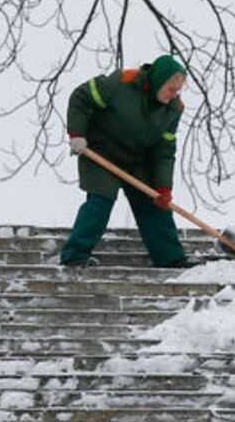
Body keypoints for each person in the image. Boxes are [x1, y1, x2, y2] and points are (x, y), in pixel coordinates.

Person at [60, 53, 195, 269]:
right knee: (100, 202)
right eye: (171, 88)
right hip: (102, 153)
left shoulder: (173, 109)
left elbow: (164, 150)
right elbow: (81, 96)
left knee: (155, 205)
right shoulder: (120, 83)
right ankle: (75, 254)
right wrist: (77, 134)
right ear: (159, 81)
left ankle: (170, 258)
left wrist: (163, 187)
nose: (174, 94)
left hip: (138, 160)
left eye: (178, 90)